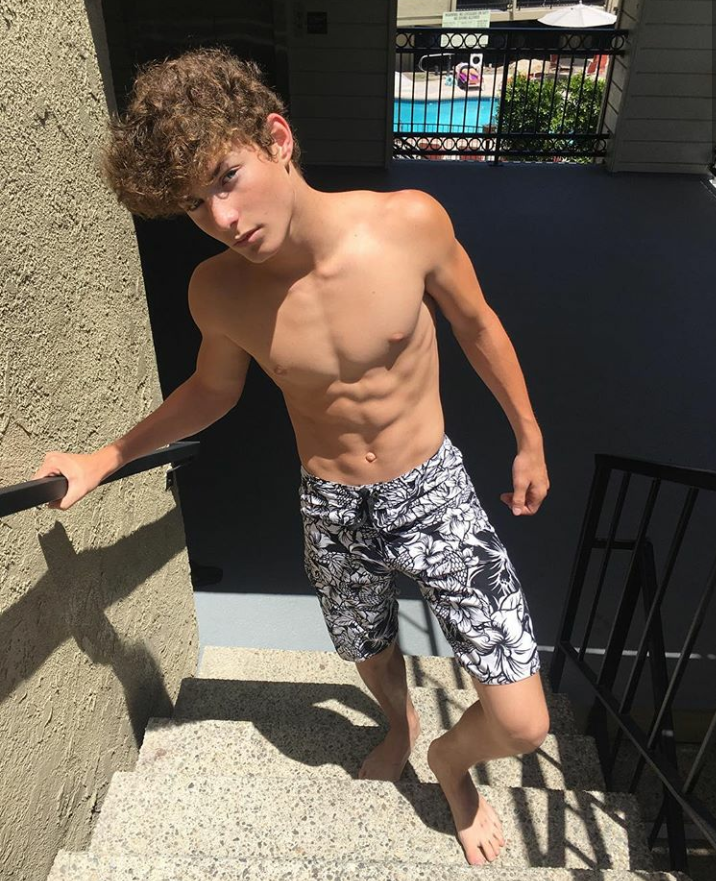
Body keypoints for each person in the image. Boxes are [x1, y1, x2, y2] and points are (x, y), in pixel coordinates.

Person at [32, 47, 551, 866]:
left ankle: (451, 762)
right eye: (194, 204)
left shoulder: (409, 223)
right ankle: (400, 723)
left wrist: (529, 435)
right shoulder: (219, 290)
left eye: (227, 177)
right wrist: (105, 457)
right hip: (332, 501)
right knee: (365, 644)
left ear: (277, 139)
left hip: (433, 491)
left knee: (523, 721)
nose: (222, 217)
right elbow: (212, 390)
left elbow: (477, 324)